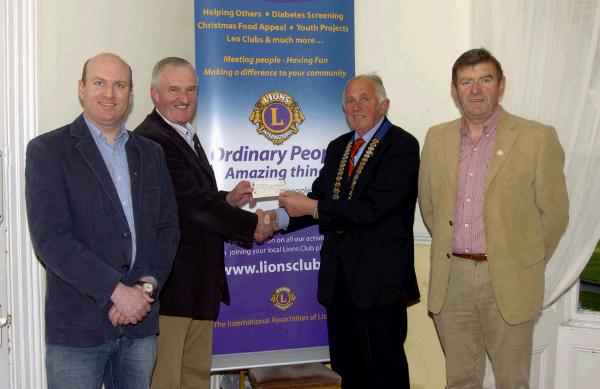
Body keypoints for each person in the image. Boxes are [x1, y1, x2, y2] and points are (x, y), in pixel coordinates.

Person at [25, 53, 181, 389]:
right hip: (79, 329)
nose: (109, 93)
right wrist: (116, 292)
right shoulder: (48, 151)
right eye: (99, 83)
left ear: (131, 93)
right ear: (81, 89)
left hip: (140, 324)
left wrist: (146, 288)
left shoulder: (151, 152)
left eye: (119, 85)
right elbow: (51, 239)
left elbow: (168, 228)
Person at [418, 48, 569, 388]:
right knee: (460, 380)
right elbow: (430, 207)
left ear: (501, 86)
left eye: (485, 80)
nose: (475, 90)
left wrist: (521, 258)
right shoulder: (436, 137)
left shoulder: (537, 138)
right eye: (466, 82)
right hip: (452, 278)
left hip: (509, 279)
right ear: (454, 89)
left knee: (512, 381)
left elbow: (556, 214)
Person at [134, 57, 274, 389]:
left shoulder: (181, 133)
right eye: (174, 89)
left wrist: (226, 200)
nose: (184, 97)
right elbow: (191, 203)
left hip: (197, 287)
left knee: (193, 379)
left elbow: (192, 198)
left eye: (191, 89)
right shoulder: (153, 139)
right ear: (154, 94)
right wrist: (249, 223)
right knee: (168, 380)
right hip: (172, 289)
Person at [276, 74, 420, 388]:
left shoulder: (402, 146)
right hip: (339, 282)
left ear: (384, 104)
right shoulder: (339, 146)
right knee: (347, 371)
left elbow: (372, 210)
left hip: (380, 285)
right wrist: (276, 221)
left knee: (385, 373)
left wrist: (312, 207)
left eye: (364, 98)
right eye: (350, 100)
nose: (356, 106)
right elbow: (318, 198)